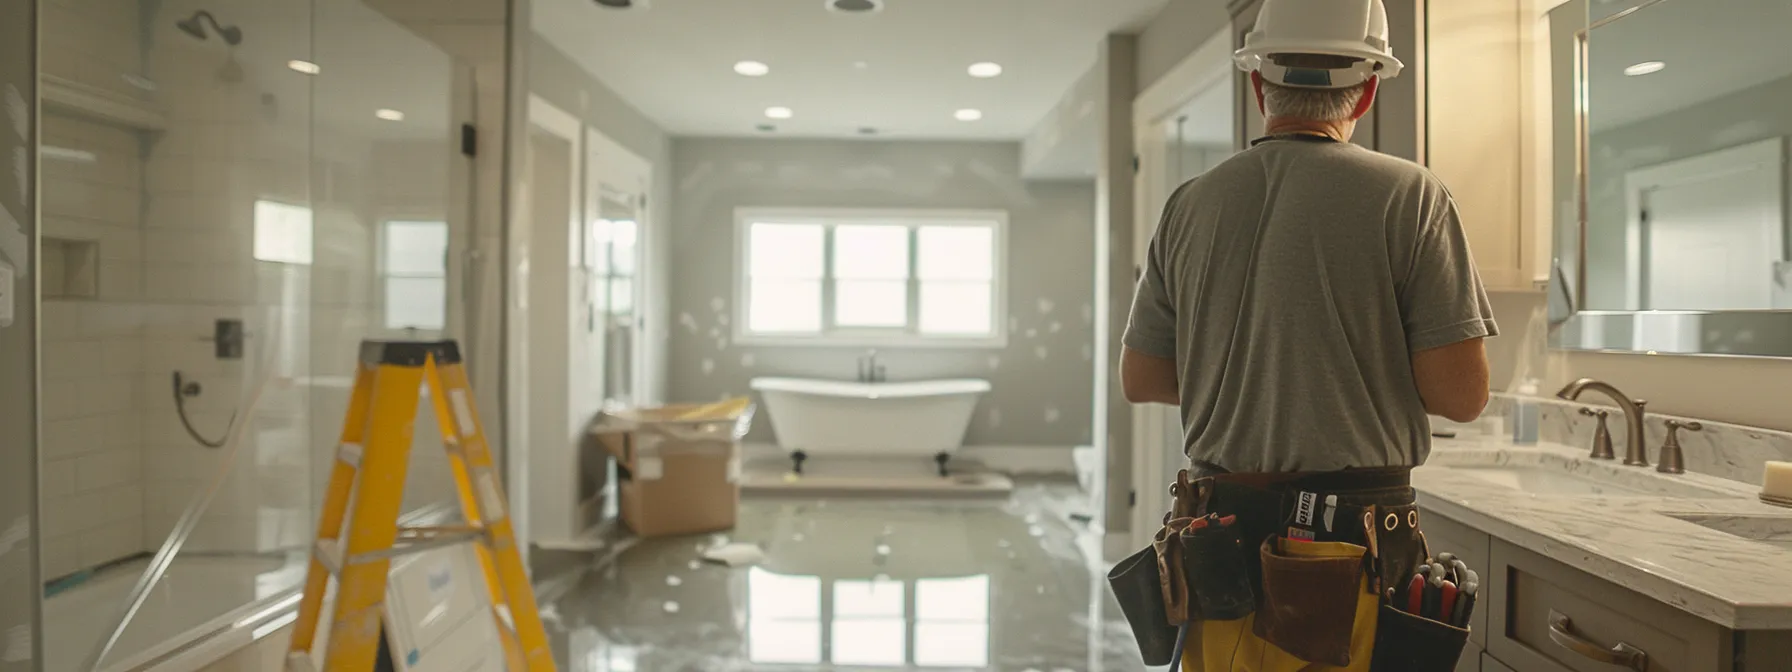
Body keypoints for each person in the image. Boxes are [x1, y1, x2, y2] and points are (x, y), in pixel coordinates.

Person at [1118, 0, 1497, 669]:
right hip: (1354, 552)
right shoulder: (1412, 196)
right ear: (1371, 86)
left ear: (1259, 82)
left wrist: (1248, 377)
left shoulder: (1188, 203)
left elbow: (1143, 378)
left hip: (1220, 543)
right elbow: (1461, 396)